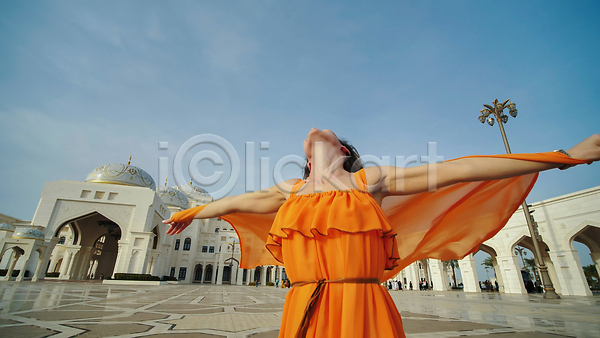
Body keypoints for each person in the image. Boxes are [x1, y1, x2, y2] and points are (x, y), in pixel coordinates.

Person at [163, 129, 599, 338]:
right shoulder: (289, 191)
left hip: (361, 303)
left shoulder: (368, 181)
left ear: (344, 152)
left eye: (328, 134)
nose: (316, 133)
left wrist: (563, 157)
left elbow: (459, 169)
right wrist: (196, 210)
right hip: (303, 307)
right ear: (309, 160)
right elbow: (235, 203)